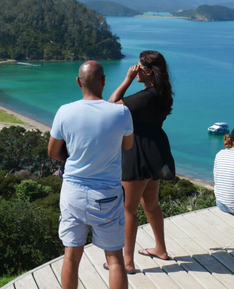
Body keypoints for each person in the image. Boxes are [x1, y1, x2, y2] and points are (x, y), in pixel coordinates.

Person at [48, 61, 134, 289]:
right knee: (115, 259)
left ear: (78, 82)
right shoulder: (121, 112)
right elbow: (127, 146)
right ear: (104, 81)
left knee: (71, 257)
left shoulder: (64, 112)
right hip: (108, 195)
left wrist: (75, 156)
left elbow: (53, 152)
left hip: (73, 193)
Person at [109, 50, 176, 273]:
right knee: (151, 204)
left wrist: (127, 79)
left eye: (137, 67)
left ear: (147, 71)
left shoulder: (145, 96)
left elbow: (111, 105)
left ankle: (126, 262)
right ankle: (160, 248)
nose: (133, 70)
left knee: (128, 210)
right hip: (156, 151)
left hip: (137, 153)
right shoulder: (161, 93)